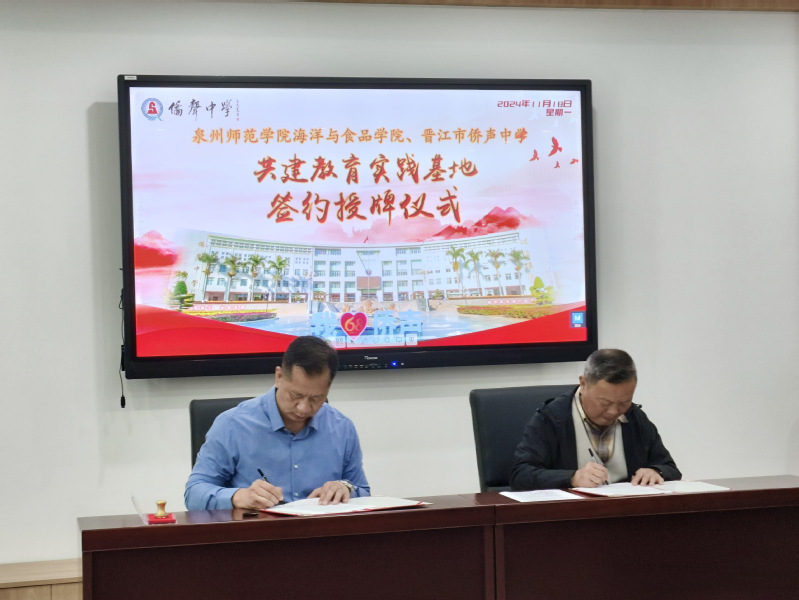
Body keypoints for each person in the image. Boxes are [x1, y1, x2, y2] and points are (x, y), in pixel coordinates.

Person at [185, 336, 370, 510]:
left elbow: (362, 491)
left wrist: (346, 488)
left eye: (316, 398)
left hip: (320, 531)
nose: (303, 408)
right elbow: (194, 494)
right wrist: (239, 497)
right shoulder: (232, 425)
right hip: (258, 530)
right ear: (279, 377)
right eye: (295, 395)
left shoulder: (342, 428)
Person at [510, 349, 681, 491]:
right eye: (605, 403)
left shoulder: (635, 417)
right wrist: (572, 478)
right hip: (573, 514)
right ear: (583, 384)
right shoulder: (552, 418)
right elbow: (520, 475)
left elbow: (669, 467)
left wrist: (655, 471)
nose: (613, 411)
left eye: (624, 402)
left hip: (627, 512)